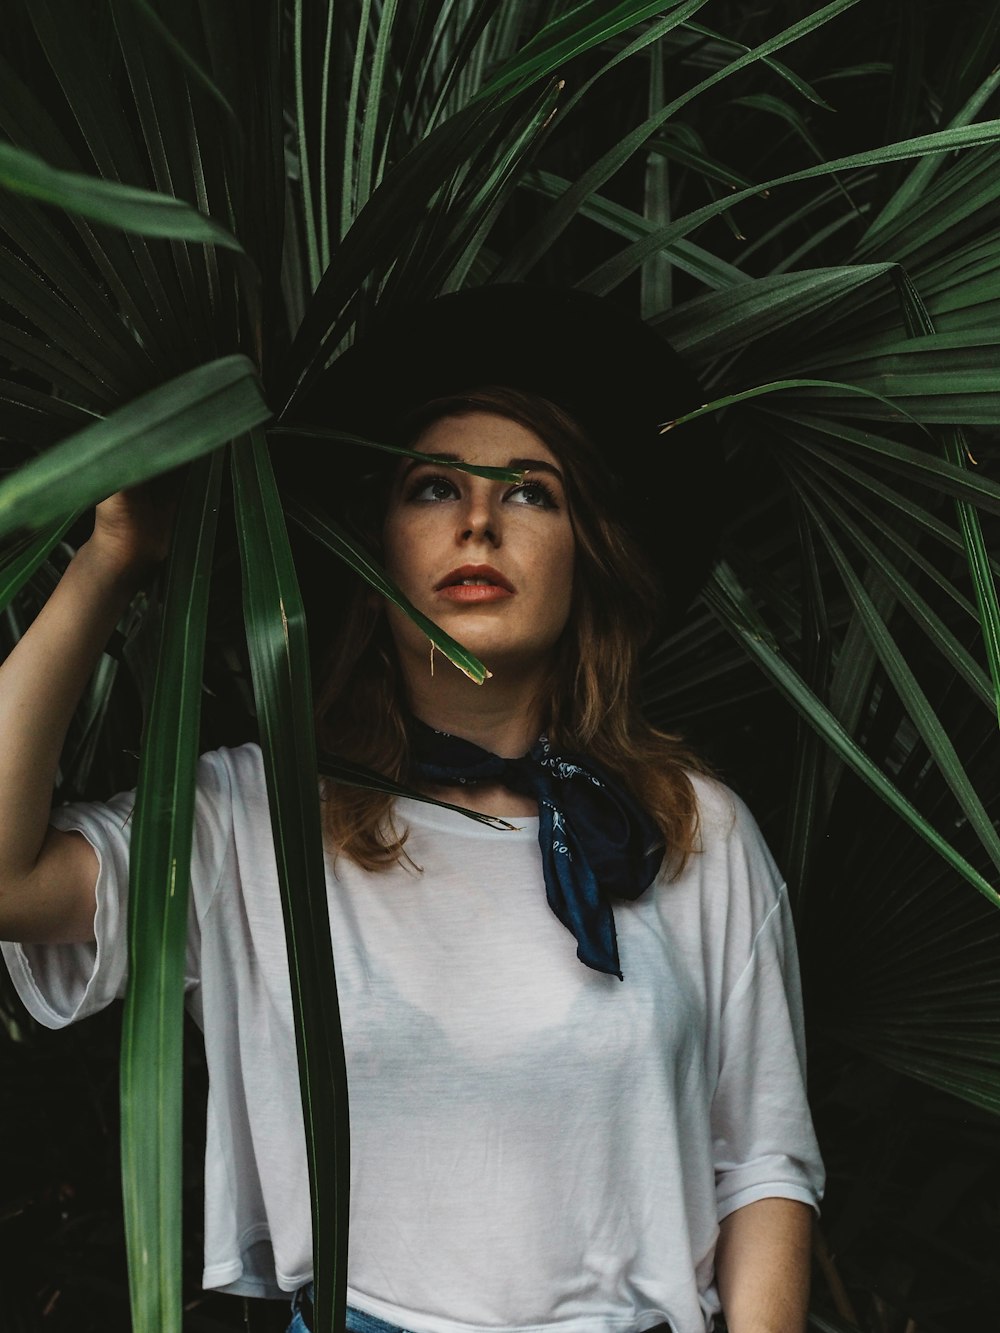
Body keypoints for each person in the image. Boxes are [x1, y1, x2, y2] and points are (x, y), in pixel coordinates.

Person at [0, 286, 824, 1333]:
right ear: (373, 544)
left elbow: (761, 1160)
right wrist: (111, 558)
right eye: (434, 488)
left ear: (589, 557)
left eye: (531, 493)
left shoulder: (693, 827)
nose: (478, 520)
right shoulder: (255, 818)